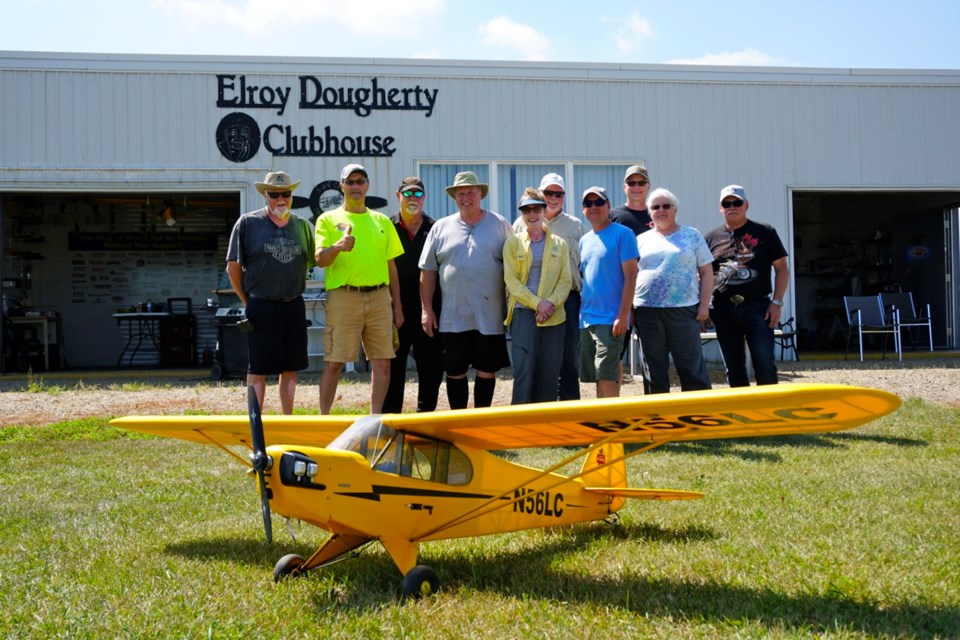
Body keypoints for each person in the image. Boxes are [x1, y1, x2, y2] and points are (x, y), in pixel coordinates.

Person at [315, 163, 404, 414]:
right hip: (344, 297)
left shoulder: (382, 221)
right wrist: (338, 247)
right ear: (341, 185)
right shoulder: (328, 219)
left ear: (368, 185)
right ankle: (324, 422)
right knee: (334, 363)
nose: (356, 186)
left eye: (360, 181)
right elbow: (320, 259)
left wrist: (397, 306)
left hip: (379, 298)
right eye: (350, 181)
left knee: (383, 363)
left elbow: (392, 267)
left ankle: (374, 420)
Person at [419, 171, 513, 409]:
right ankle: (458, 422)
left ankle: (480, 423)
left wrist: (511, 310)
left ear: (480, 193)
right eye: (461, 193)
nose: (466, 197)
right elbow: (427, 271)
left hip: (490, 314)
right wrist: (427, 310)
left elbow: (515, 268)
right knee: (455, 371)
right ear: (454, 197)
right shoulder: (441, 227)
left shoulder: (501, 225)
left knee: (487, 371)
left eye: (471, 192)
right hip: (453, 316)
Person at [225, 170, 316, 414]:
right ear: (265, 195)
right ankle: (256, 421)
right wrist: (248, 300)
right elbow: (233, 267)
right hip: (260, 304)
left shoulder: (302, 226)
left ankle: (287, 419)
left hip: (293, 304)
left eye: (285, 193)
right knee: (258, 368)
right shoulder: (247, 223)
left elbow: (315, 260)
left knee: (291, 367)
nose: (280, 199)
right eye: (274, 194)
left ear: (291, 195)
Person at [704, 184, 789, 387]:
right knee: (733, 368)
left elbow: (782, 269)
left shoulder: (765, 232)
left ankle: (768, 413)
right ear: (720, 207)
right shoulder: (710, 238)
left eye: (737, 202)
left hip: (758, 308)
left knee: (764, 363)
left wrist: (777, 302)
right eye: (727, 203)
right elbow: (704, 275)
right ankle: (740, 414)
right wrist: (704, 305)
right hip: (723, 308)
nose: (732, 206)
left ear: (746, 205)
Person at [633, 188, 714, 394]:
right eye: (655, 207)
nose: (661, 210)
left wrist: (704, 305)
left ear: (675, 209)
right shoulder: (641, 239)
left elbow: (706, 272)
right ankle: (658, 418)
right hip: (647, 311)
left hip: (684, 310)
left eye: (666, 206)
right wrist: (629, 310)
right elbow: (631, 274)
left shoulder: (691, 235)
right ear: (650, 212)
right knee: (653, 368)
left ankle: (698, 416)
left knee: (690, 366)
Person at [513, 173, 584, 400]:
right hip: (527, 302)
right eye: (549, 193)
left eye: (559, 193)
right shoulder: (519, 224)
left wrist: (552, 302)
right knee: (530, 361)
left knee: (567, 359)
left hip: (566, 301)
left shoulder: (575, 225)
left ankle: (568, 412)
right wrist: (536, 303)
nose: (554, 197)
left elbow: (582, 264)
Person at [503, 188, 572, 404]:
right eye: (526, 209)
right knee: (524, 373)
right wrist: (537, 303)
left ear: (544, 210)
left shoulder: (560, 244)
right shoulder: (512, 243)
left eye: (536, 208)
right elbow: (511, 281)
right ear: (521, 213)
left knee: (550, 373)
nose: (532, 214)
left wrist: (549, 303)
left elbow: (565, 281)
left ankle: (546, 429)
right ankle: (520, 427)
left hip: (554, 315)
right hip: (524, 314)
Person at [382, 176, 443, 413]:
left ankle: (424, 419)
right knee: (392, 368)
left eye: (418, 194)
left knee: (431, 367)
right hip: (394, 308)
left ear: (424, 197)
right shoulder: (386, 227)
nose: (413, 199)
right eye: (407, 194)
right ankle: (391, 422)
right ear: (398, 196)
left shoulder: (436, 228)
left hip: (429, 309)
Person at [577, 186, 639, 398]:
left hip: (611, 318)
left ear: (609, 206)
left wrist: (623, 315)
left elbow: (631, 276)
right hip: (587, 318)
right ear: (583, 209)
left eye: (598, 203)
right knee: (598, 373)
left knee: (606, 372)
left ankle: (609, 422)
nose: (593, 207)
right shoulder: (585, 240)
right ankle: (602, 417)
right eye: (588, 204)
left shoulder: (623, 234)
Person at [610, 164, 653, 235]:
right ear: (624, 187)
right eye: (631, 183)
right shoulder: (612, 216)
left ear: (649, 186)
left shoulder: (657, 215)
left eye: (641, 183)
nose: (636, 187)